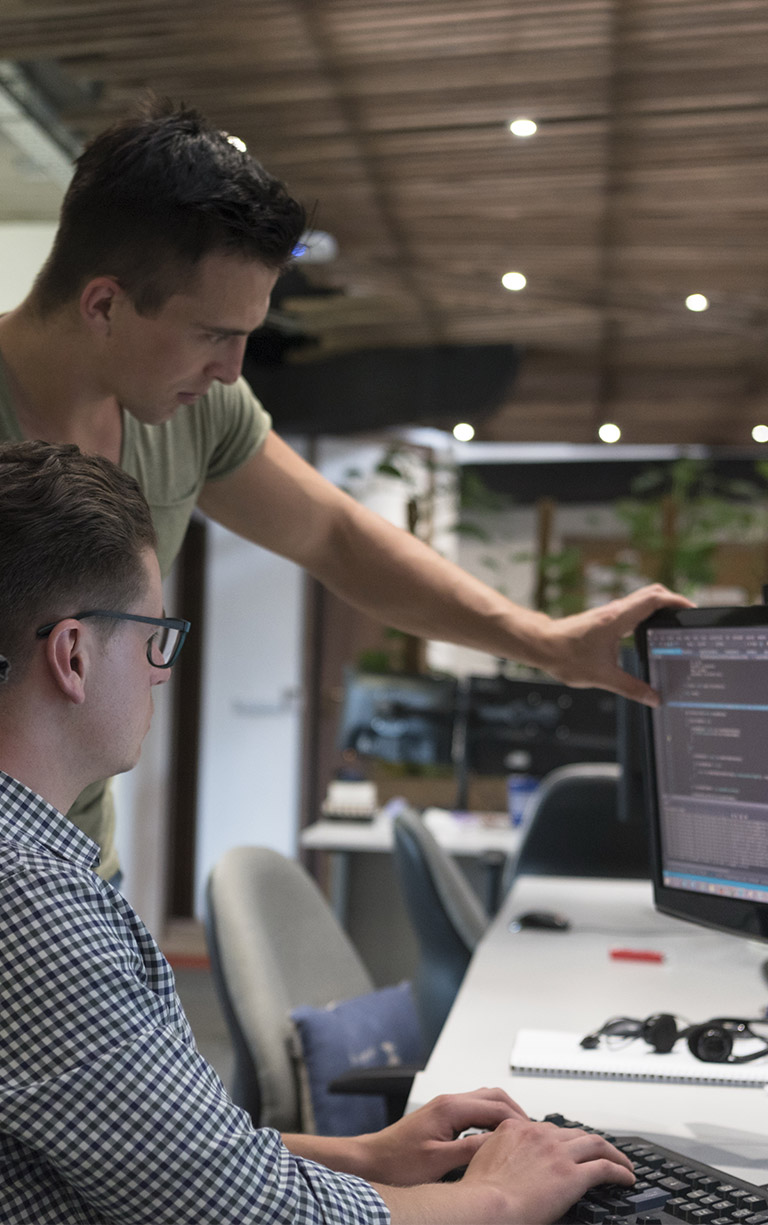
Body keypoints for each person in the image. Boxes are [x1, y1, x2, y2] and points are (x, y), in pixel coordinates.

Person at [0, 98, 691, 879]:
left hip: (79, 872)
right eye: (214, 334)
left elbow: (335, 537)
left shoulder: (196, 411)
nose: (231, 370)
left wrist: (547, 642)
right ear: (104, 305)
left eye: (245, 339)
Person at [0, 439, 635, 1224]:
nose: (161, 671)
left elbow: (161, 1149)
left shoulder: (34, 871)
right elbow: (253, 1214)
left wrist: (370, 1153)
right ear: (73, 655)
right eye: (151, 638)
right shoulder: (27, 896)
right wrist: (500, 1196)